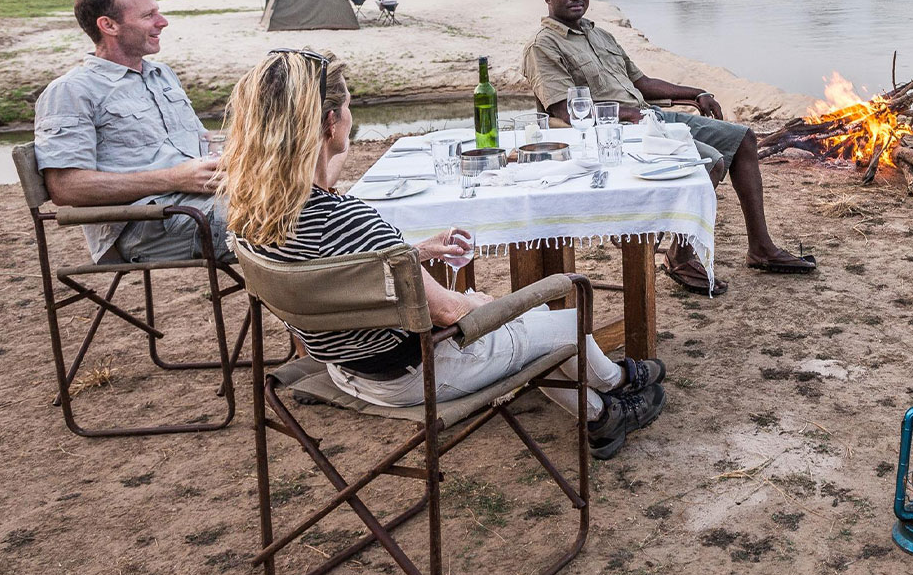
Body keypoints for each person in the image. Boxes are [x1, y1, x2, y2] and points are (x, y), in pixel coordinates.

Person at [220, 49, 664, 458]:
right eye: (349, 108)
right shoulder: (350, 220)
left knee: (533, 328)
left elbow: (343, 270)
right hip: (418, 374)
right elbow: (452, 313)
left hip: (346, 366)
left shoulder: (254, 217)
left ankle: (604, 415)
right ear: (330, 123)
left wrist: (412, 252)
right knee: (562, 319)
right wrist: (481, 303)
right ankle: (620, 384)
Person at [521, 0, 816, 297]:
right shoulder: (543, 46)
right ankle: (680, 254)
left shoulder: (598, 34)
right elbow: (563, 109)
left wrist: (695, 93)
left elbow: (641, 83)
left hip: (648, 117)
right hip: (612, 134)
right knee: (710, 162)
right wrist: (631, 114)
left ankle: (761, 248)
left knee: (743, 137)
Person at [33, 0, 227, 264]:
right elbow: (66, 188)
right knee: (287, 220)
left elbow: (202, 143)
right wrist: (174, 178)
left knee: (309, 198)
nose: (162, 22)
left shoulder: (162, 75)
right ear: (108, 25)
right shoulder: (71, 91)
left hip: (203, 204)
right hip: (146, 224)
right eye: (149, 15)